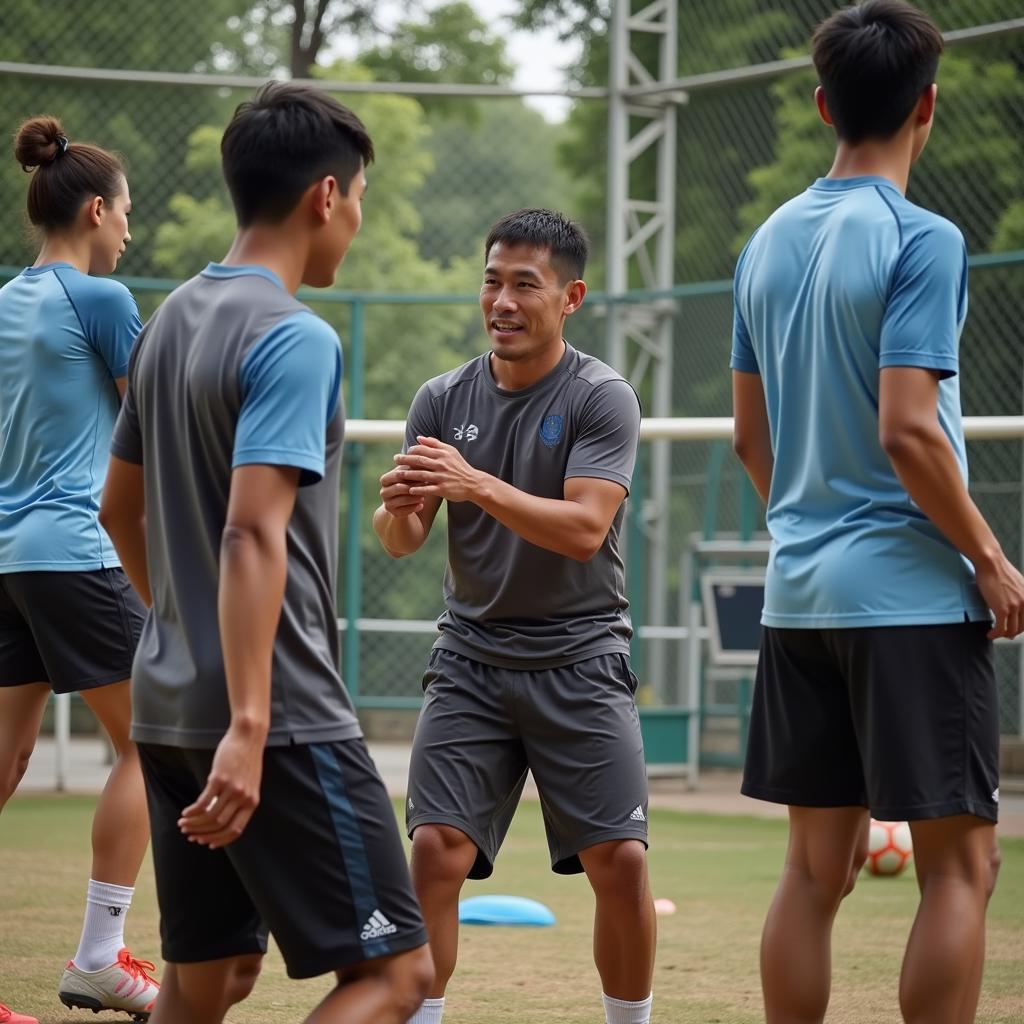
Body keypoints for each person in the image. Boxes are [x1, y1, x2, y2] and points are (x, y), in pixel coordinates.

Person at [99, 82, 433, 1024]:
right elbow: (252, 529)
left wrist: (181, 625)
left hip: (166, 706)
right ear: (326, 196)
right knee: (393, 977)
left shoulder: (166, 322)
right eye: (358, 199)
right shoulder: (293, 336)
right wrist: (249, 722)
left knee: (210, 981)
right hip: (274, 717)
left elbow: (116, 507)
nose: (355, 220)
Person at [730, 2, 1023, 1022]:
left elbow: (748, 440)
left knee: (814, 872)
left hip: (798, 596)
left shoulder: (763, 244)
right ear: (928, 108)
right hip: (904, 595)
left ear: (822, 106)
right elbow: (909, 428)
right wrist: (987, 556)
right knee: (961, 869)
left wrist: (812, 531)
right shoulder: (922, 239)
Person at [374, 208, 655, 1024]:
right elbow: (402, 541)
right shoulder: (441, 398)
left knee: (622, 863)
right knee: (434, 852)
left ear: (570, 297)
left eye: (523, 284)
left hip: (582, 658)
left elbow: (584, 530)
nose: (501, 299)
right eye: (491, 280)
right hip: (471, 660)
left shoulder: (603, 397)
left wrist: (476, 486)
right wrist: (398, 510)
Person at [0, 117, 159, 1024]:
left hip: (7, 557)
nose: (128, 231)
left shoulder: (6, 300)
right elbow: (150, 438)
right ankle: (100, 956)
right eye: (125, 213)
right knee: (155, 744)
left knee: (8, 759)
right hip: (73, 550)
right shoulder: (100, 300)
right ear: (96, 210)